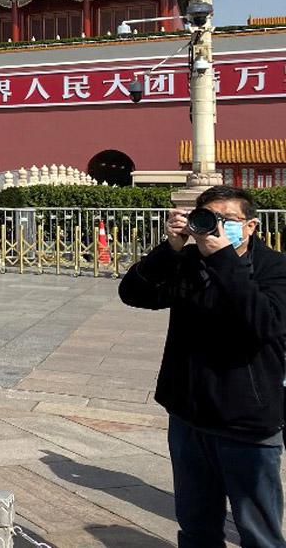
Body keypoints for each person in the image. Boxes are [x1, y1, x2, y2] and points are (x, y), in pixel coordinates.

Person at [120, 185, 286, 546]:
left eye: (229, 219)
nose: (218, 226)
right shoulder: (190, 262)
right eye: (211, 218)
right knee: (196, 526)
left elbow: (265, 324)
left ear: (251, 226)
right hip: (189, 414)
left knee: (259, 533)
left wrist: (224, 259)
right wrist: (170, 249)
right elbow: (133, 293)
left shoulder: (275, 268)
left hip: (247, 421)